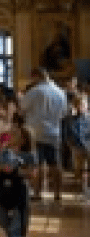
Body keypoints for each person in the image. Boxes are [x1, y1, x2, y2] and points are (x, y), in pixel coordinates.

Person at [21, 67, 68, 202]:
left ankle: (37, 193)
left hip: (36, 131)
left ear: (36, 76)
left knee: (38, 163)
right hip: (54, 131)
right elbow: (64, 113)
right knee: (55, 163)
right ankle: (58, 193)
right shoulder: (60, 92)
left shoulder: (35, 91)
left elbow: (22, 108)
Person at [0, 149, 31, 237]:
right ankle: (12, 233)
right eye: (4, 164)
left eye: (9, 164)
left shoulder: (20, 179)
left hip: (17, 204)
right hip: (2, 203)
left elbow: (23, 199)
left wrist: (20, 208)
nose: (7, 167)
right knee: (1, 220)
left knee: (17, 221)